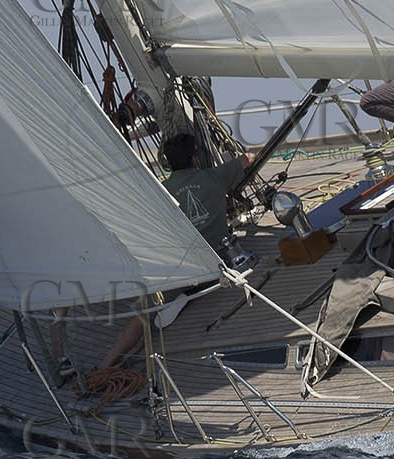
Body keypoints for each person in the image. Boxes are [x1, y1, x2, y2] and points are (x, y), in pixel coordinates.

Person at [57, 132, 253, 377]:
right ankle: (177, 303)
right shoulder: (214, 177)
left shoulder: (160, 193)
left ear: (168, 163)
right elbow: (248, 158)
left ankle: (104, 367)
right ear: (195, 158)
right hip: (216, 268)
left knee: (141, 314)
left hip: (178, 271)